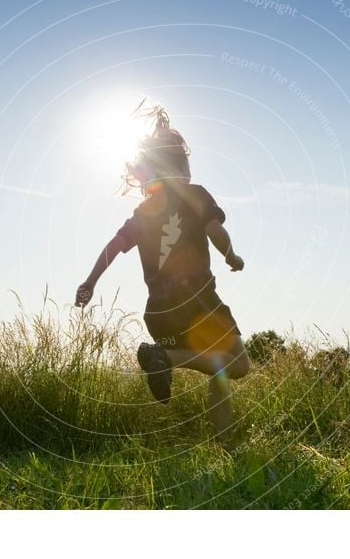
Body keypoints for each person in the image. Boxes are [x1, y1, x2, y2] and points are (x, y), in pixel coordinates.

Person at [74, 104, 251, 438]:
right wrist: (232, 256)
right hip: (198, 300)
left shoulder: (143, 212)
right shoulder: (195, 195)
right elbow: (215, 232)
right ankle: (166, 357)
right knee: (238, 364)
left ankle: (224, 445)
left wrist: (90, 282)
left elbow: (113, 246)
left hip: (159, 311)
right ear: (181, 164)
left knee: (219, 369)